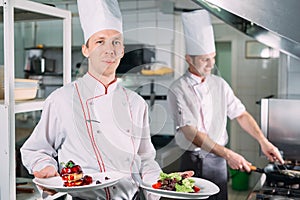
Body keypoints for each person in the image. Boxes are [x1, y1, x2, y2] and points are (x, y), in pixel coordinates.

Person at [21, 0, 161, 199]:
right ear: (85, 50)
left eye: (116, 42)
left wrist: (164, 184)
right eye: (100, 41)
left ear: (122, 50)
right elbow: (35, 149)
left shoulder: (136, 103)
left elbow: (146, 159)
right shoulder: (61, 100)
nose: (109, 50)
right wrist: (46, 168)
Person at [167, 9, 284, 200]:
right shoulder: (178, 88)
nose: (211, 64)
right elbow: (192, 134)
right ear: (189, 58)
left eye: (212, 57)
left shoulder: (219, 84)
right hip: (192, 162)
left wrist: (263, 141)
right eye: (205, 59)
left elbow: (241, 114)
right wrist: (229, 154)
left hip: (218, 162)